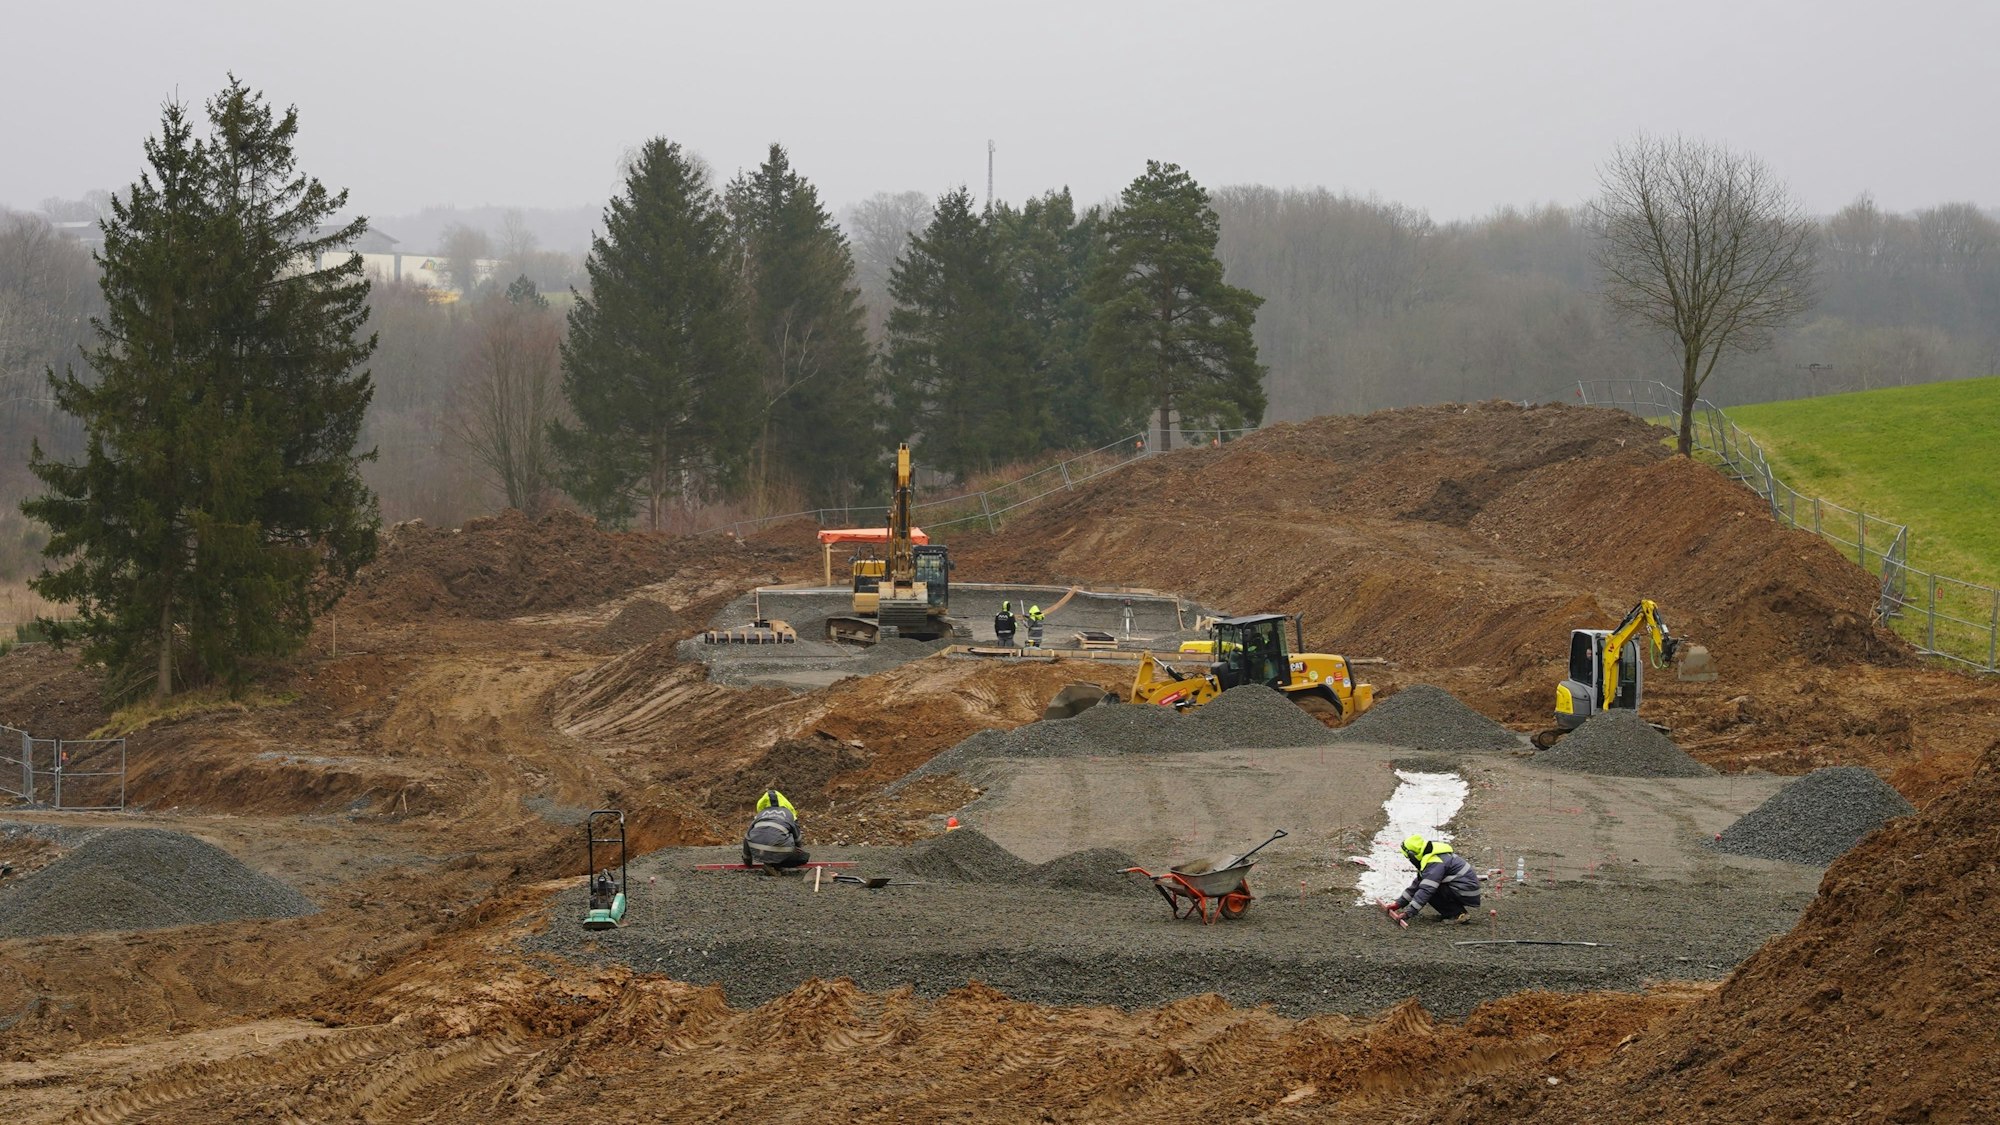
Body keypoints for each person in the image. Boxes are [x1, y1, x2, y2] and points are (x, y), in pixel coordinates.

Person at [1389, 834, 1482, 924]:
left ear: (1412, 855)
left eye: (1408, 857)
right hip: (1465, 888)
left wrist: (1409, 913)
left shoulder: (1434, 861)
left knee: (1430, 889)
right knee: (1428, 886)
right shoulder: (1431, 855)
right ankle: (1451, 912)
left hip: (1467, 891)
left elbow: (1426, 889)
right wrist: (1399, 903)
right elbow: (1418, 883)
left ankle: (1458, 914)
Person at [742, 788, 809, 869]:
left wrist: (747, 861)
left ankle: (769, 862)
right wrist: (797, 852)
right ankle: (775, 865)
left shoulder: (760, 814)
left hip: (757, 852)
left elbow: (746, 838)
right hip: (780, 850)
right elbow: (797, 839)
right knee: (804, 857)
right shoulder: (788, 814)